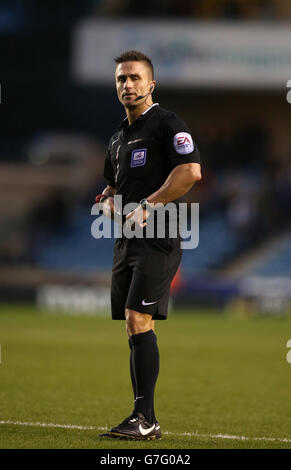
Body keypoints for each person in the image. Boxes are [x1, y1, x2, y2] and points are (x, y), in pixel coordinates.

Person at [97, 50, 201, 440]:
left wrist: (149, 205)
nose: (128, 85)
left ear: (151, 84)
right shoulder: (117, 139)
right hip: (126, 241)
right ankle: (143, 417)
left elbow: (191, 171)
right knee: (131, 323)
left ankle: (146, 419)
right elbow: (110, 188)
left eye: (136, 78)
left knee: (139, 319)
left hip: (159, 236)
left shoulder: (166, 124)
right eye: (122, 79)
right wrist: (106, 203)